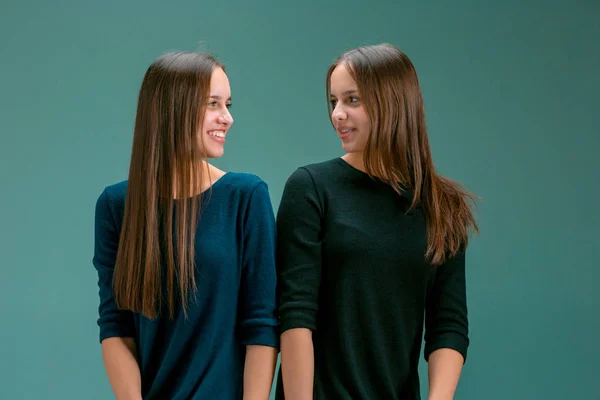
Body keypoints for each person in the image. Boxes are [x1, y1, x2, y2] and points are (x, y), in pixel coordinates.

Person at [275, 43, 479, 400]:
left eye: (352, 100)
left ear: (393, 102)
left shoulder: (443, 206)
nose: (337, 114)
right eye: (333, 102)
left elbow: (448, 326)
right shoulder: (311, 188)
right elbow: (295, 316)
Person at [92, 51, 279, 400]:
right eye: (213, 104)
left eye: (228, 104)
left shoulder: (246, 196)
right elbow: (116, 327)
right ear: (171, 109)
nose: (228, 118)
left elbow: (262, 326)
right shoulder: (116, 206)